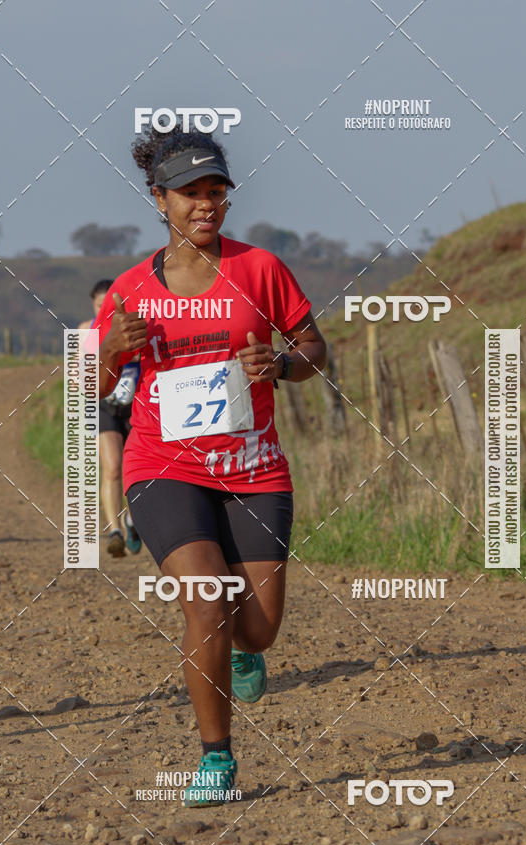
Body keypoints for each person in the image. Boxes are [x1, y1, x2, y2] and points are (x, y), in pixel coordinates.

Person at [91, 125, 326, 807]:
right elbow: (95, 392)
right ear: (158, 199)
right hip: (163, 466)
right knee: (207, 601)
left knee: (258, 628)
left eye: (215, 190)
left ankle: (245, 650)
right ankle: (216, 758)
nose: (205, 203)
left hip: (253, 470)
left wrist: (281, 364)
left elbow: (314, 349)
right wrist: (110, 350)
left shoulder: (261, 269)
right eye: (189, 192)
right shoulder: (131, 290)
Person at [79, 281, 142, 557]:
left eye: (109, 305)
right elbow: (80, 372)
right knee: (113, 467)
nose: (104, 310)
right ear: (93, 305)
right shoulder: (85, 330)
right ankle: (115, 531)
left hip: (134, 405)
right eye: (99, 305)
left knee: (133, 469)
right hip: (102, 405)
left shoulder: (133, 326)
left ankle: (132, 520)